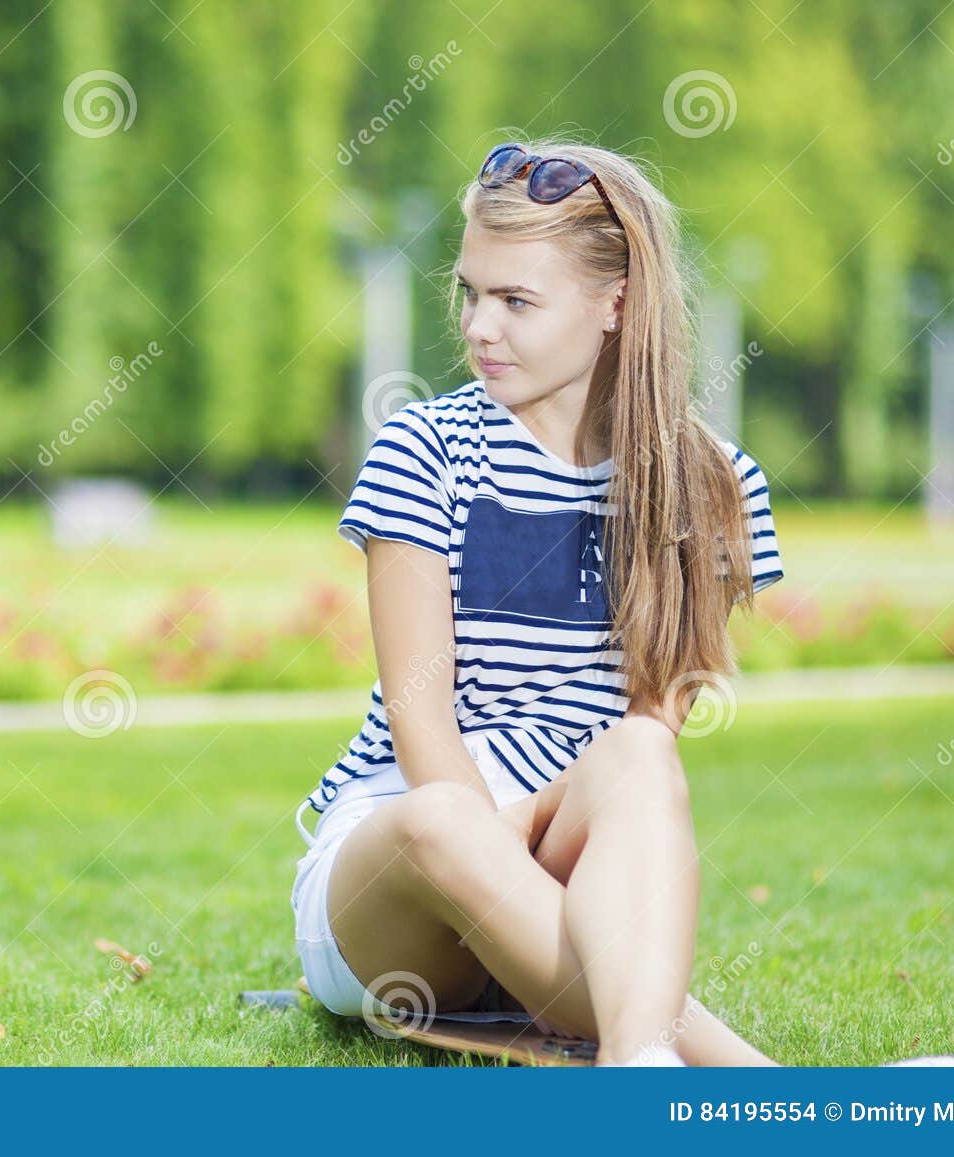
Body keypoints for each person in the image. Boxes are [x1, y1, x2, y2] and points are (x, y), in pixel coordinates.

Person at [291, 136, 868, 1067]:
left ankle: (638, 1073)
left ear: (616, 302)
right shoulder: (425, 451)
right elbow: (419, 721)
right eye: (471, 292)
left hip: (555, 866)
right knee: (441, 821)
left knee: (639, 746)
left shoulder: (714, 485)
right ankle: (763, 1087)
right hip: (398, 879)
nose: (481, 326)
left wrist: (536, 861)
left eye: (517, 300)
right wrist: (501, 849)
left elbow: (648, 751)